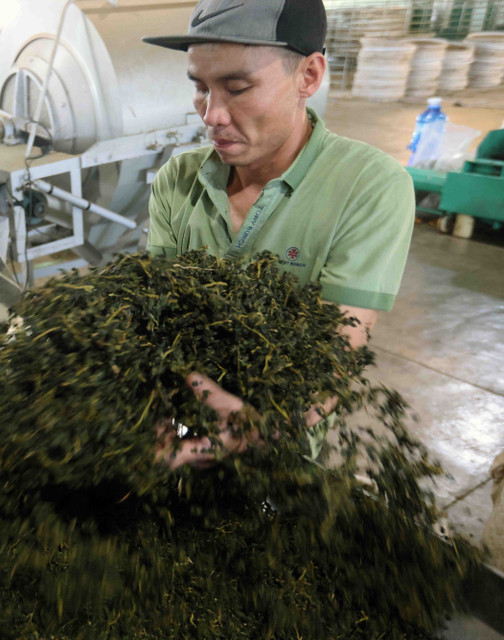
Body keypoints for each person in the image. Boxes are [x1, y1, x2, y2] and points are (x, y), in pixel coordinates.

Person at [143, 0, 415, 468]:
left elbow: (337, 349)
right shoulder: (177, 180)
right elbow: (158, 314)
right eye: (200, 87)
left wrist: (263, 429)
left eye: (238, 88)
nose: (211, 115)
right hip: (170, 423)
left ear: (308, 76)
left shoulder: (368, 186)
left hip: (276, 444)